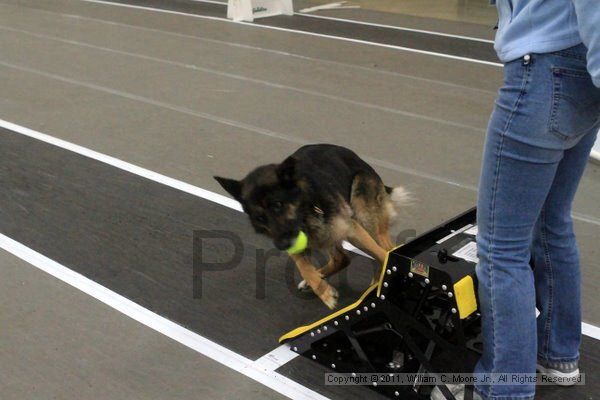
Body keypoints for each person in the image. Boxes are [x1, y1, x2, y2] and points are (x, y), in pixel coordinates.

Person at [473, 1, 600, 399]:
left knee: (501, 251)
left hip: (545, 72)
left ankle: (504, 390)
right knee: (551, 220)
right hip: (577, 74)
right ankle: (558, 355)